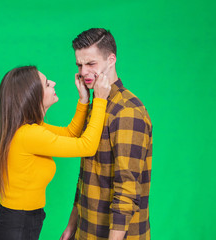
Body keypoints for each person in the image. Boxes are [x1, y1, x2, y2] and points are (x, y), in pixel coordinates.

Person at [0, 65, 111, 240]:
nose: (53, 82)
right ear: (32, 95)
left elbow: (70, 134)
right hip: (15, 227)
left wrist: (84, 100)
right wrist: (100, 100)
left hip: (17, 222)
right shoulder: (29, 134)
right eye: (46, 83)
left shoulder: (29, 129)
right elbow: (87, 146)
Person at [60, 28, 153, 240]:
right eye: (79, 65)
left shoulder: (128, 111)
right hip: (86, 231)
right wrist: (71, 227)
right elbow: (86, 175)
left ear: (111, 60)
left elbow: (127, 189)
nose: (83, 72)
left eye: (91, 64)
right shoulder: (97, 105)